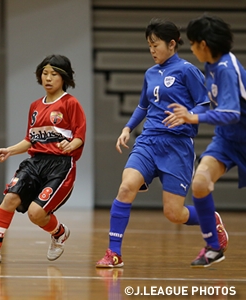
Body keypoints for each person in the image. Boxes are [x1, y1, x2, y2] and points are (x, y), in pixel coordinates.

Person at [95, 18, 227, 268]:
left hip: (177, 147)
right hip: (148, 142)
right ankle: (114, 253)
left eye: (155, 45)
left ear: (172, 44)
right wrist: (127, 128)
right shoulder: (150, 73)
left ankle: (212, 220)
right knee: (126, 187)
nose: (152, 50)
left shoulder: (187, 70)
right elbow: (143, 106)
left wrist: (186, 116)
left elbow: (204, 103)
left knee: (174, 214)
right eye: (149, 46)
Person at [0, 54, 86, 264]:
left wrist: (69, 145)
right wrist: (9, 150)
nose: (48, 78)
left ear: (63, 77)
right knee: (9, 199)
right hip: (35, 163)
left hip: (60, 166)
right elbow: (30, 140)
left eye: (53, 74)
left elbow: (80, 137)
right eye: (44, 73)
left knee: (36, 213)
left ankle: (59, 232)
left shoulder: (71, 104)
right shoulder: (35, 106)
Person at [167, 14, 245, 267]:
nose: (190, 48)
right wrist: (189, 113)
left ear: (203, 44)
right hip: (227, 141)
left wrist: (192, 118)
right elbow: (215, 106)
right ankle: (214, 247)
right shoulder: (211, 66)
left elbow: (231, 114)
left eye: (191, 43)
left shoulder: (226, 70)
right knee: (200, 183)